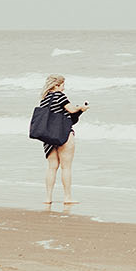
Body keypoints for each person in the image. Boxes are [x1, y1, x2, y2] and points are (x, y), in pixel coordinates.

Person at [36, 75, 87, 207]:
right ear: (56, 85)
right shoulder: (60, 96)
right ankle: (67, 197)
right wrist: (81, 108)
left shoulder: (44, 99)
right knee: (66, 167)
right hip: (63, 134)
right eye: (63, 84)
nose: (64, 87)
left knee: (51, 167)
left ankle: (48, 197)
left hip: (48, 136)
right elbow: (71, 110)